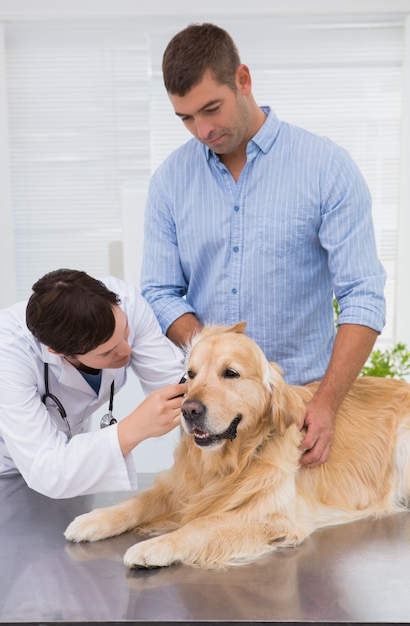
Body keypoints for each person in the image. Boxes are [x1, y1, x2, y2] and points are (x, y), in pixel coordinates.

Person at [140, 23, 386, 469]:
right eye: (187, 118)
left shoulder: (325, 168)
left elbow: (362, 297)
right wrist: (215, 354)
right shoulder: (169, 182)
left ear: (243, 80)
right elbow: (158, 291)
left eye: (211, 109)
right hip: (213, 417)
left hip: (300, 413)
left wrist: (327, 405)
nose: (202, 130)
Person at [0, 269, 187, 498]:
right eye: (107, 353)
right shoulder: (6, 354)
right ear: (59, 352)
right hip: (4, 466)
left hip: (69, 458)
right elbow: (48, 470)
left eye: (126, 333)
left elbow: (176, 385)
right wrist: (133, 428)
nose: (128, 351)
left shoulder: (126, 302)